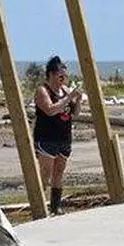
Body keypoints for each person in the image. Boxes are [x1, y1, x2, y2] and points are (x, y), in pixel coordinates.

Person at [33, 56, 83, 216]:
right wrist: (68, 98)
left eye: (65, 76)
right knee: (45, 172)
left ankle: (56, 206)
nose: (64, 80)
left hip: (64, 137)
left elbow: (74, 114)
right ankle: (39, 203)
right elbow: (50, 109)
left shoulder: (66, 90)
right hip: (47, 137)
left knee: (59, 171)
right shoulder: (43, 91)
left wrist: (78, 100)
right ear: (52, 74)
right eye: (61, 76)